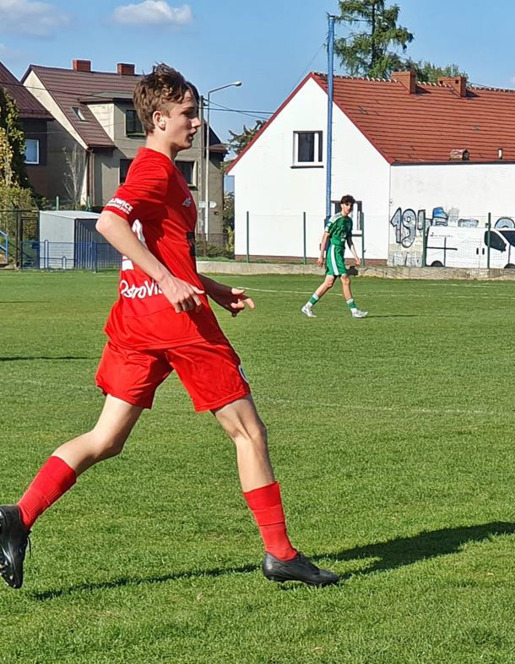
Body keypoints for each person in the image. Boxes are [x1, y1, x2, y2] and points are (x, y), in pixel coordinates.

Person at [0, 64, 338, 590]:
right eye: (188, 113)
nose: (197, 123)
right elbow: (110, 223)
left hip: (136, 322)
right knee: (249, 432)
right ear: (158, 119)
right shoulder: (155, 170)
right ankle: (280, 553)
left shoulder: (163, 173)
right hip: (177, 324)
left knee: (106, 438)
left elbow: (165, 253)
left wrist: (211, 287)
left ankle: (17, 516)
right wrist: (168, 281)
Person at [302, 194, 367, 318]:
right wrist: (321, 255)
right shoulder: (335, 219)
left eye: (351, 205)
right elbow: (325, 236)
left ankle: (307, 306)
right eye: (347, 204)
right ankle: (354, 311)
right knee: (345, 279)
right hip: (334, 251)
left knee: (329, 283)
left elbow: (349, 240)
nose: (349, 207)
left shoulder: (349, 221)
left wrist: (356, 256)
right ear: (342, 205)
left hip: (340, 253)